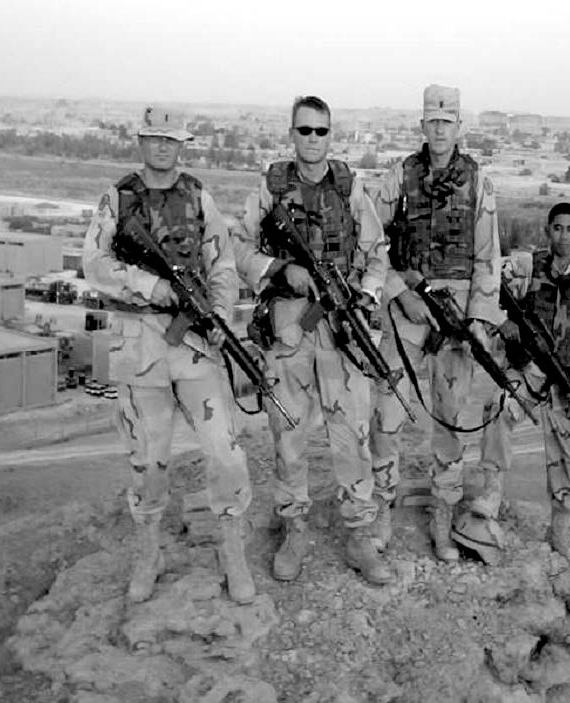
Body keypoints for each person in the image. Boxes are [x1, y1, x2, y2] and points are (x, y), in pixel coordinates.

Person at [82, 106, 255, 604]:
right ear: (141, 141)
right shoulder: (116, 198)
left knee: (225, 451)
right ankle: (149, 552)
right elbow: (95, 263)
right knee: (149, 460)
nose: (163, 147)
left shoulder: (199, 195)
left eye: (171, 140)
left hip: (196, 342)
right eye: (154, 138)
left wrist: (219, 314)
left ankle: (232, 551)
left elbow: (220, 261)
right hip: (139, 343)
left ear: (182, 145)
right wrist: (149, 284)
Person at [234, 95, 393, 586]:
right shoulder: (270, 186)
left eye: (321, 131)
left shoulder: (350, 187)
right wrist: (284, 270)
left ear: (331, 134)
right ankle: (294, 527)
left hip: (342, 331)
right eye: (305, 131)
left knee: (353, 439)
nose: (313, 140)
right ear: (292, 133)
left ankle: (359, 535)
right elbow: (237, 248)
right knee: (289, 438)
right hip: (289, 330)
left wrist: (364, 296)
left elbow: (377, 253)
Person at [367, 84, 507, 561]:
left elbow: (489, 259)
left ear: (459, 127)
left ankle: (443, 518)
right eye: (432, 121)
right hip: (408, 310)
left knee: (449, 418)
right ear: (422, 125)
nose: (440, 129)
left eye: (448, 122)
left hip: (458, 315)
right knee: (387, 412)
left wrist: (479, 321)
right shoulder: (398, 177)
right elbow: (369, 240)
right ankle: (382, 509)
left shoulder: (479, 182)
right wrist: (398, 291)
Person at [469, 201, 570, 566]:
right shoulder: (526, 266)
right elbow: (487, 285)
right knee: (498, 409)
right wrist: (503, 322)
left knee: (564, 455)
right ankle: (492, 495)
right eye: (557, 228)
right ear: (547, 230)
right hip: (528, 370)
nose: (563, 235)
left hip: (564, 379)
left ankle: (559, 531)